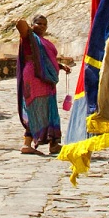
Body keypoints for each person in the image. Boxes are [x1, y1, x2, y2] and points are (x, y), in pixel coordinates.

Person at [16, 14, 72, 155]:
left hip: (46, 79)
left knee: (49, 108)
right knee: (34, 107)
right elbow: (20, 24)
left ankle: (53, 143)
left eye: (44, 24)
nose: (41, 26)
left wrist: (60, 66)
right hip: (34, 76)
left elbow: (45, 60)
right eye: (38, 23)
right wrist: (27, 27)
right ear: (32, 24)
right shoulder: (29, 37)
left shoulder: (43, 41)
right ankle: (27, 144)